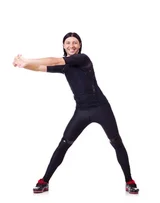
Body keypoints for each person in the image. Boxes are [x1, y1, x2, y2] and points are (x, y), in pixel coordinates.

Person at [13, 32, 139, 194]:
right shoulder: (65, 66)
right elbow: (40, 68)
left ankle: (129, 180)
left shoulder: (83, 59)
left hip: (101, 108)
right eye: (68, 43)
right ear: (63, 45)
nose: (71, 46)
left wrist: (27, 60)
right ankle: (44, 181)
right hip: (81, 111)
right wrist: (22, 65)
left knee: (116, 141)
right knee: (64, 143)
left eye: (75, 43)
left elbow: (55, 60)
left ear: (79, 45)